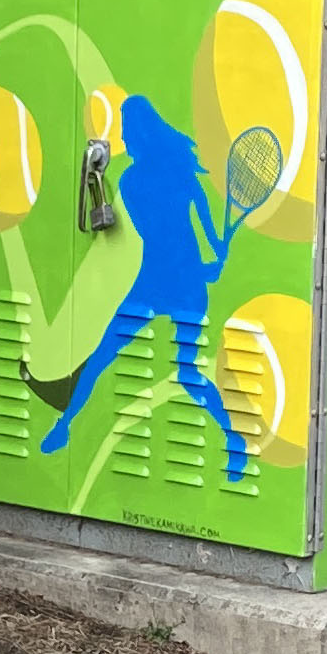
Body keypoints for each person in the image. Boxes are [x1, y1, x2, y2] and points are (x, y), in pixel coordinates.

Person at [37, 94, 250, 480]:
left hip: (167, 283)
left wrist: (208, 263)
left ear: (143, 131)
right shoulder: (173, 176)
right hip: (170, 282)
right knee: (108, 356)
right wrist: (212, 265)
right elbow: (202, 242)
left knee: (170, 369)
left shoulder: (135, 180)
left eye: (127, 128)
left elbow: (177, 238)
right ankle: (63, 425)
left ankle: (234, 439)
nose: (123, 136)